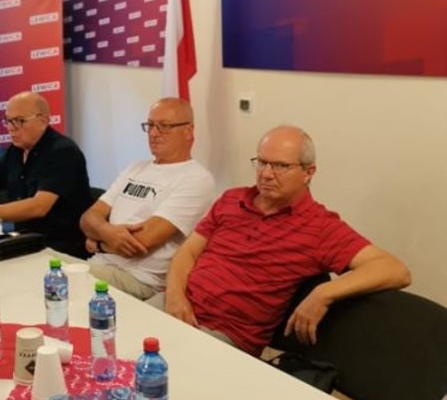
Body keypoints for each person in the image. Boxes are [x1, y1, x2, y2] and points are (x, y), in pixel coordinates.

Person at [163, 126, 412, 356]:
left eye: (280, 166)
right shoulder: (232, 199)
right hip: (174, 306)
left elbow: (395, 270)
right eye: (262, 162)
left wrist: (323, 293)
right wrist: (175, 296)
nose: (266, 174)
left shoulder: (319, 227)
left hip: (222, 334)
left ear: (308, 172)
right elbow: (188, 252)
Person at [80, 98, 214, 300]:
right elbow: (88, 218)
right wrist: (107, 232)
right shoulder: (135, 168)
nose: (153, 133)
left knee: (49, 273)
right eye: (150, 125)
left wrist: (97, 242)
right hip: (99, 265)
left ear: (188, 131)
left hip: (138, 280)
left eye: (164, 126)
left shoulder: (196, 179)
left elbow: (141, 243)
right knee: (40, 264)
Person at [0, 91, 93, 259]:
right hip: (24, 240)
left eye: (19, 121)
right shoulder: (16, 151)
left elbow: (39, 206)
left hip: (59, 245)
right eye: (8, 121)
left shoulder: (63, 152)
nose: (11, 128)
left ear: (43, 121)